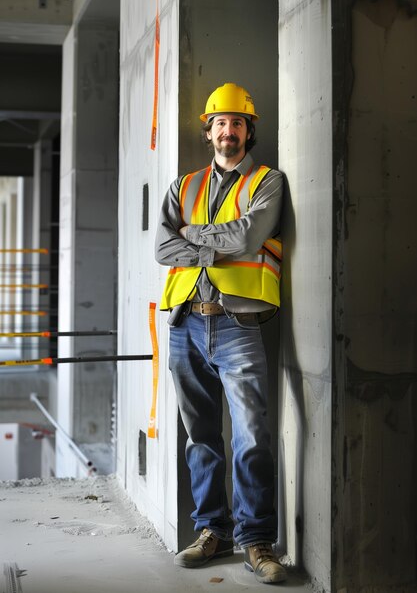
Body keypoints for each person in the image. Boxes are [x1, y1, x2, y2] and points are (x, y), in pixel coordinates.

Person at [155, 82, 285, 585]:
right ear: (207, 131)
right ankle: (213, 531)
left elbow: (250, 235)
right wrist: (212, 243)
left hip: (238, 325)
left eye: (237, 123)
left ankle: (257, 542)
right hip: (185, 323)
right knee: (200, 437)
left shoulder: (267, 183)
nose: (228, 131)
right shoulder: (183, 186)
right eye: (219, 123)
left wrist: (193, 236)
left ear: (249, 130)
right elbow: (163, 250)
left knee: (252, 437)